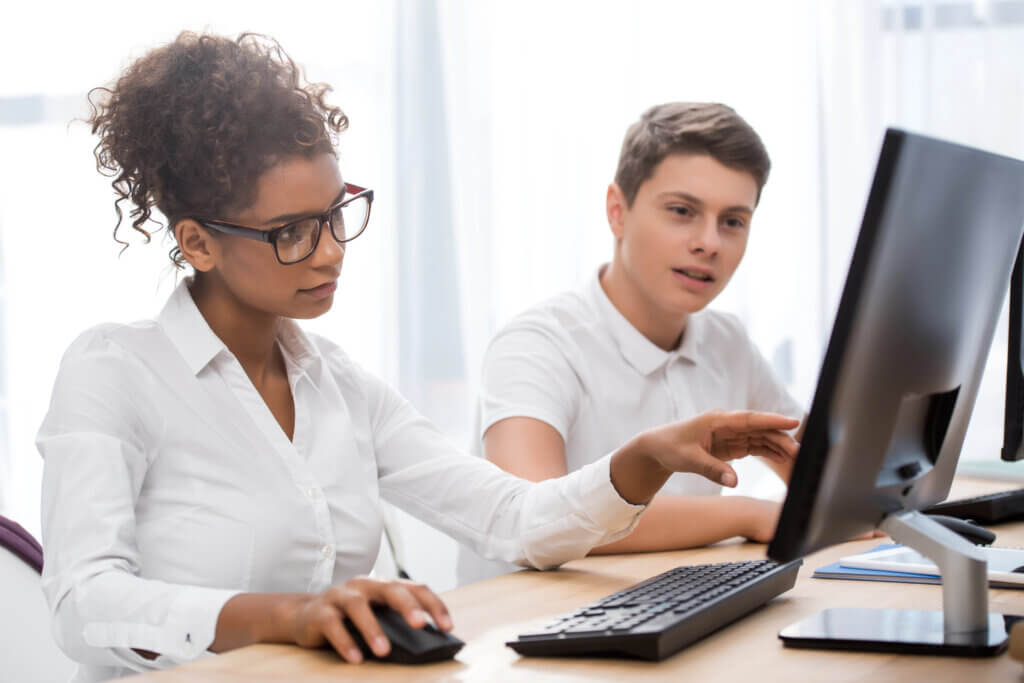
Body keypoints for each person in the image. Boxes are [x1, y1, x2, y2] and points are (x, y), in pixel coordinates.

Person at [36, 34, 799, 681]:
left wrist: (643, 460)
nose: (331, 250)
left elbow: (513, 518)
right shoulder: (115, 372)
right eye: (292, 231)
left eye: (337, 214)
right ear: (198, 242)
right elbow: (84, 602)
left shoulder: (340, 385)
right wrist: (287, 615)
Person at [457, 102, 806, 585]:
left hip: (667, 608)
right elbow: (534, 513)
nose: (709, 243)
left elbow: (817, 477)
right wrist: (750, 515)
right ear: (617, 212)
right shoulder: (536, 343)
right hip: (524, 629)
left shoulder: (727, 341)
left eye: (733, 221)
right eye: (682, 211)